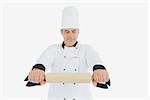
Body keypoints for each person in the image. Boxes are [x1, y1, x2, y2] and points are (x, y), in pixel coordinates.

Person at [25, 6, 110, 100]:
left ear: (78, 32)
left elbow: (94, 59)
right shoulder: (53, 49)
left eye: (74, 31)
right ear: (61, 32)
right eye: (67, 31)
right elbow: (45, 59)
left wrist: (99, 69)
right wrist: (38, 69)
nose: (70, 36)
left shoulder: (86, 49)